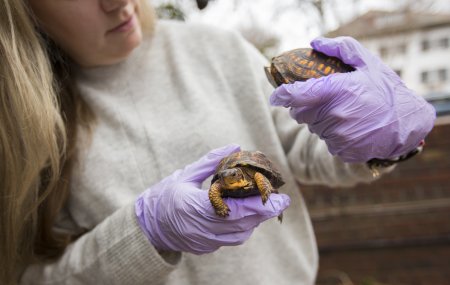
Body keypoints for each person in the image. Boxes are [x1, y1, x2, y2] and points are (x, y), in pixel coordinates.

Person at [0, 0, 435, 284]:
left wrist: (382, 139)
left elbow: (309, 150)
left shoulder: (216, 49)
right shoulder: (18, 129)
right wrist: (148, 233)